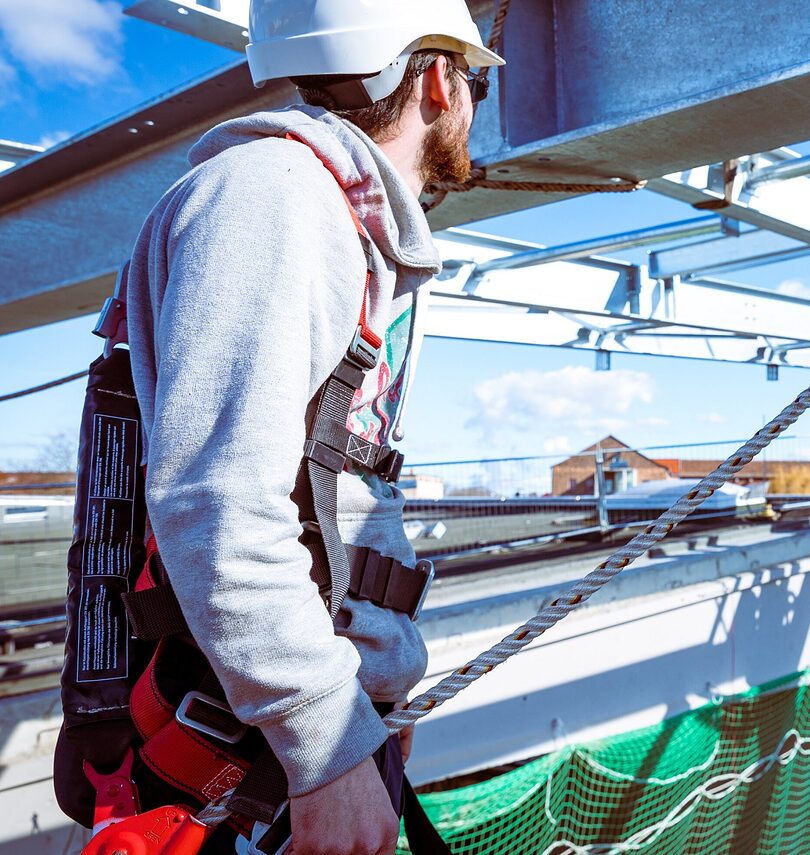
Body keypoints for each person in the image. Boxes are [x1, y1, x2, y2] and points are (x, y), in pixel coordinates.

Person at [118, 2, 502, 852]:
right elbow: (220, 501)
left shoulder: (328, 213)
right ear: (437, 78)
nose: (473, 98)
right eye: (473, 77)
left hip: (295, 743)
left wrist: (370, 700)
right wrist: (324, 738)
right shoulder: (276, 198)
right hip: (252, 761)